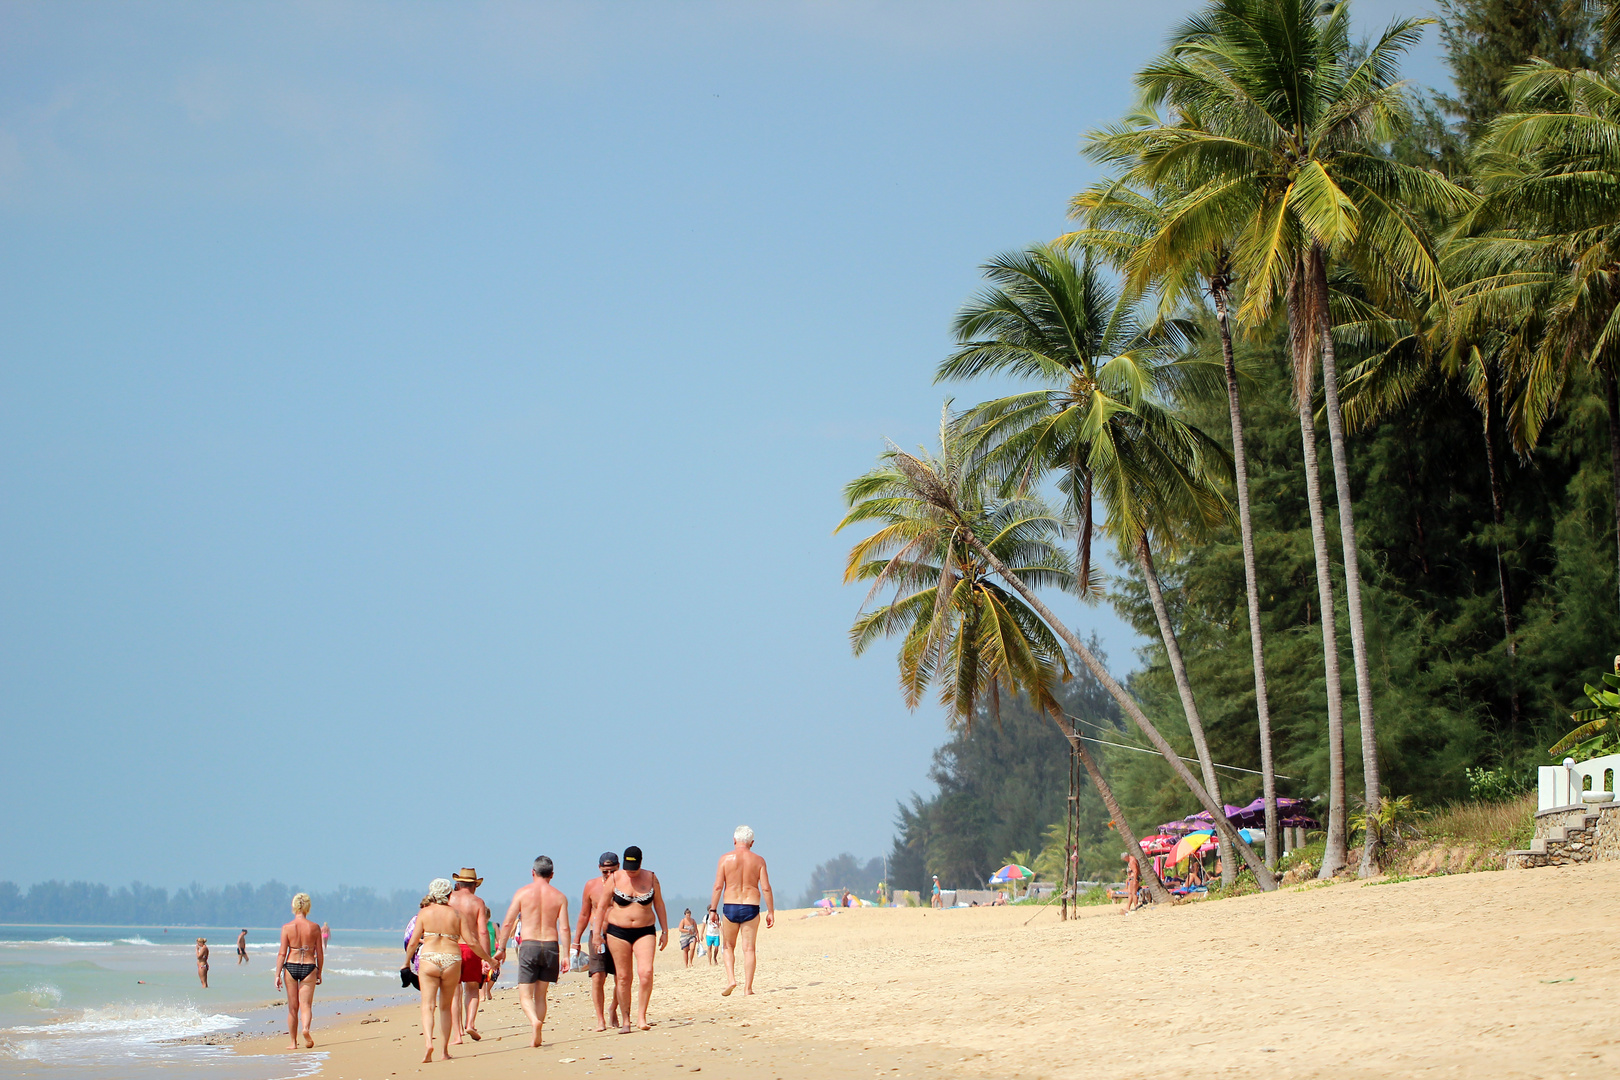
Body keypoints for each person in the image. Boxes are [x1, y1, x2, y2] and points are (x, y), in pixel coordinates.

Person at [405, 878, 490, 1064]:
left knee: (428, 1006)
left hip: (429, 959)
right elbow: (473, 942)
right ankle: (443, 1051)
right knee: (445, 1006)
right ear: (449, 894)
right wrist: (489, 959)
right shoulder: (456, 914)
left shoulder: (424, 913)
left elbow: (413, 941)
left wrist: (405, 964)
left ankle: (429, 1043)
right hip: (451, 959)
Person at [494, 855, 572, 1048]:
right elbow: (564, 928)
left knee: (525, 995)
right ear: (552, 875)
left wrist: (501, 948)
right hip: (551, 945)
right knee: (541, 995)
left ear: (532, 872)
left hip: (529, 945)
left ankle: (534, 1022)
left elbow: (507, 922)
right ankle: (538, 1029)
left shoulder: (522, 893)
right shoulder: (559, 896)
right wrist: (567, 955)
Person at [591, 845, 667, 1033]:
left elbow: (659, 904)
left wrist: (665, 931)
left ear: (640, 863)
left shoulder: (651, 877)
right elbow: (601, 907)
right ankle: (626, 1020)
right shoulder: (615, 878)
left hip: (645, 931)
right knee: (623, 977)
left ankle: (642, 1016)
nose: (631, 873)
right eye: (628, 869)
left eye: (634, 869)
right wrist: (596, 935)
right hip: (618, 932)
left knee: (646, 972)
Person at [706, 824, 775, 997]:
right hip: (751, 906)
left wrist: (713, 909)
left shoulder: (724, 859)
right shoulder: (759, 860)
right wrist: (771, 911)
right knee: (749, 948)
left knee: (728, 945)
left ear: (734, 840)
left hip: (730, 906)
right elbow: (766, 888)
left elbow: (717, 887)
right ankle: (748, 989)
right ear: (752, 843)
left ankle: (731, 979)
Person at [573, 851, 620, 1032]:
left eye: (612, 871)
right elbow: (584, 914)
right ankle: (600, 1019)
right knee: (597, 977)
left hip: (619, 934)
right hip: (597, 935)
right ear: (600, 869)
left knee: (621, 977)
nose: (609, 875)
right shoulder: (591, 886)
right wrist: (576, 940)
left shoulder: (624, 885)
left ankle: (613, 1008)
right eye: (605, 872)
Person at [274, 893, 324, 1049]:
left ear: (294, 906)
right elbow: (320, 953)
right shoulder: (314, 927)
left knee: (292, 1008)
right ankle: (305, 1029)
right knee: (306, 1005)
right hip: (309, 966)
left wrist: (277, 975)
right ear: (308, 907)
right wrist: (319, 972)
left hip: (291, 965)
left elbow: (282, 952)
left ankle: (293, 1043)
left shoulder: (287, 928)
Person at [448, 868, 492, 1043]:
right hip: (471, 948)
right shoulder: (478, 902)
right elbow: (482, 932)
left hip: (451, 947)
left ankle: (457, 1034)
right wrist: (487, 958)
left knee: (453, 992)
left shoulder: (449, 899)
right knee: (472, 990)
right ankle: (470, 1024)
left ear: (458, 884)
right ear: (474, 885)